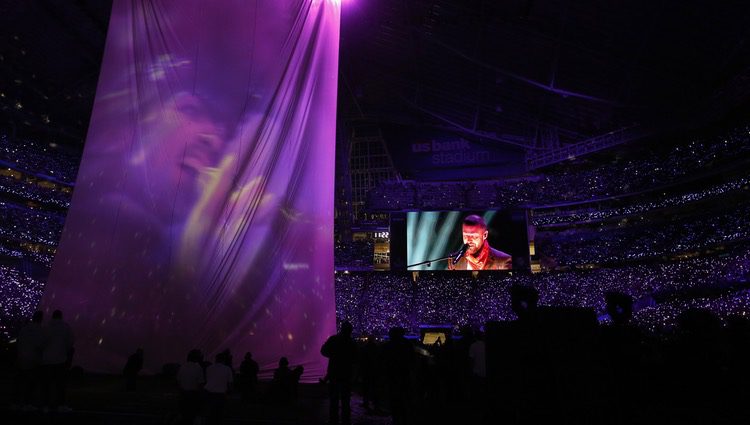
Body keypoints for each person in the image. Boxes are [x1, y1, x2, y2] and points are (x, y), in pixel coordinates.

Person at [321, 321, 357, 425]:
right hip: (346, 375)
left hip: (334, 374)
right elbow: (356, 359)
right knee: (346, 401)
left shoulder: (334, 340)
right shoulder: (352, 343)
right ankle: (346, 421)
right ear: (350, 331)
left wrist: (333, 354)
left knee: (334, 399)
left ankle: (333, 420)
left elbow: (323, 351)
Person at [41, 309, 74, 412]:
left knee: (47, 384)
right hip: (60, 359)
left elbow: (41, 342)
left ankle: (45, 405)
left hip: (46, 360)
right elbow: (70, 343)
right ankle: (60, 404)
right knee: (60, 384)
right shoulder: (65, 327)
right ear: (61, 316)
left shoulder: (46, 327)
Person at [15, 311, 45, 411]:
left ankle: (17, 403)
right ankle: (28, 403)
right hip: (33, 360)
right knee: (31, 383)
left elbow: (18, 341)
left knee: (20, 382)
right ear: (41, 319)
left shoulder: (24, 329)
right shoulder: (40, 330)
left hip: (22, 358)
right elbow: (41, 345)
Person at [176, 349, 205, 425]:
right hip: (193, 394)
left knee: (183, 413)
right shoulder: (198, 368)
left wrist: (181, 391)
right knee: (193, 413)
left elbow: (178, 381)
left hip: (183, 393)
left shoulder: (182, 366)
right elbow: (200, 383)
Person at [204, 352, 233, 425]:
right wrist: (229, 393)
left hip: (209, 393)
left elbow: (208, 380)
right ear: (224, 360)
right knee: (219, 415)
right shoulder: (227, 369)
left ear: (216, 359)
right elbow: (230, 383)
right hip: (220, 394)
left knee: (209, 415)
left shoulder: (209, 368)